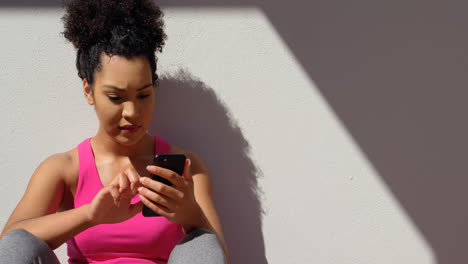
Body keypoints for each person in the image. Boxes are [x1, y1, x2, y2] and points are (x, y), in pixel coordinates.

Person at [0, 0, 228, 263]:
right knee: (18, 242)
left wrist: (191, 215)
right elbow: (10, 243)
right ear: (89, 91)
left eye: (143, 95)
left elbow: (216, 256)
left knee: (205, 242)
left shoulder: (189, 167)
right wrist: (91, 215)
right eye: (116, 97)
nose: (132, 112)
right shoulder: (63, 169)